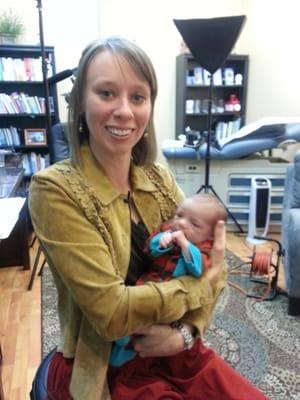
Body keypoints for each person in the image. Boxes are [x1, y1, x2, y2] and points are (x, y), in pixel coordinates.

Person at [29, 37, 269, 399]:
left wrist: (183, 334)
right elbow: (110, 314)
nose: (124, 111)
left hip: (176, 352)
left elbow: (214, 264)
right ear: (80, 103)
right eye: (107, 93)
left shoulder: (158, 178)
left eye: (137, 97)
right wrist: (201, 286)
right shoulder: (53, 190)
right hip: (103, 369)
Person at [110, 193, 228, 367]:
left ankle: (128, 345)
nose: (180, 223)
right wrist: (162, 241)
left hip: (175, 309)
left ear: (210, 237)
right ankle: (123, 344)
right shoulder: (169, 230)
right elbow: (150, 248)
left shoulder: (203, 249)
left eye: (194, 224)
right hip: (148, 285)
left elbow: (198, 269)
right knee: (136, 312)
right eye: (179, 215)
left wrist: (185, 244)